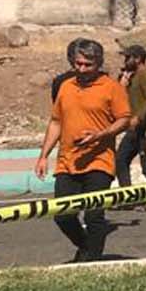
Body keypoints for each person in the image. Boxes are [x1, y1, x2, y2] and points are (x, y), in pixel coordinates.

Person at [34, 38, 131, 262]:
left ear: (98, 63)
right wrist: (43, 156)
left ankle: (92, 261)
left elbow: (124, 119)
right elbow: (56, 122)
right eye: (77, 63)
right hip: (68, 161)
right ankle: (86, 246)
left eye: (88, 64)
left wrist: (101, 134)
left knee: (94, 214)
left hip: (99, 161)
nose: (82, 69)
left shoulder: (111, 87)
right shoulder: (66, 86)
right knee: (62, 215)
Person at [115, 45, 146, 191]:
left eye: (128, 58)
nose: (125, 61)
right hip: (134, 129)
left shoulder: (145, 75)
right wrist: (122, 85)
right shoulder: (129, 77)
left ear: (137, 58)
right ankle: (127, 195)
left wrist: (138, 117)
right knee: (121, 160)